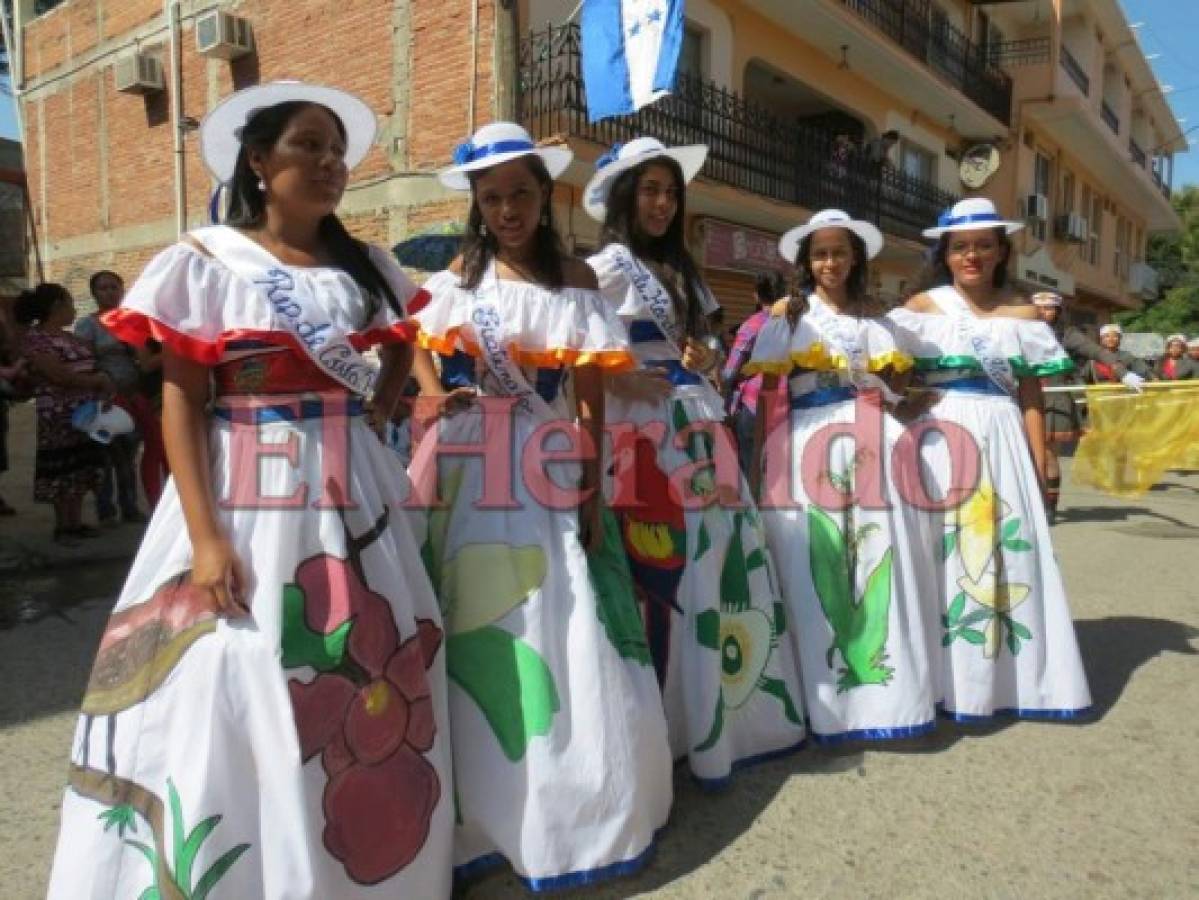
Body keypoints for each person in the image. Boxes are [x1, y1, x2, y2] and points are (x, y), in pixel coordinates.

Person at [48, 82, 453, 898]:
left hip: (353, 485)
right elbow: (183, 403)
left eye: (339, 151)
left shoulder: (364, 266)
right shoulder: (205, 263)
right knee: (246, 670)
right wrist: (205, 538)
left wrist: (377, 410)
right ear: (261, 162)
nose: (331, 164)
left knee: (365, 656)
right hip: (245, 483)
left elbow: (400, 348)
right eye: (310, 146)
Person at [408, 122, 671, 889]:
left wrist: (590, 484)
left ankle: (576, 800)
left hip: (550, 462)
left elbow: (588, 395)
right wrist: (432, 398)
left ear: (543, 196)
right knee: (480, 615)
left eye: (519, 194)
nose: (507, 210)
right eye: (491, 199)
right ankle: (485, 809)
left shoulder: (578, 281)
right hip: (473, 464)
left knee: (565, 615)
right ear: (477, 204)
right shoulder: (462, 275)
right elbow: (416, 334)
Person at [585, 137, 806, 784]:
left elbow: (705, 342)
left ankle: (714, 707)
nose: (660, 203)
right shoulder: (604, 268)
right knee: (659, 568)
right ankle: (665, 716)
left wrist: (704, 358)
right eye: (649, 191)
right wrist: (620, 378)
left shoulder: (682, 269)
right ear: (625, 198)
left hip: (696, 424)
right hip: (638, 433)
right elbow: (577, 349)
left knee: (711, 561)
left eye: (669, 193)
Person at [889, 197, 1091, 722]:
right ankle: (941, 681)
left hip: (1001, 435)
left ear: (1002, 251)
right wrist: (904, 398)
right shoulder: (921, 308)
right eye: (960, 248)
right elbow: (886, 369)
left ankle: (1005, 680)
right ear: (946, 254)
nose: (971, 256)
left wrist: (1041, 456)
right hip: (939, 438)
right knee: (942, 551)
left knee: (1005, 553)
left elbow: (1029, 394)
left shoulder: (1024, 315)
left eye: (983, 246)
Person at [746, 209, 938, 742]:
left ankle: (891, 696)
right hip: (808, 440)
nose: (830, 262)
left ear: (856, 258)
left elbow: (895, 381)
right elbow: (767, 395)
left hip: (874, 438)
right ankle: (824, 694)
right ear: (807, 262)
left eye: (839, 252)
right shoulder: (790, 318)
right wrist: (762, 461)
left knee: (882, 555)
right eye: (820, 253)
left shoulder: (876, 323)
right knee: (815, 557)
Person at [14, 283, 110, 545]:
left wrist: (100, 385)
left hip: (85, 413)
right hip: (58, 415)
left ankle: (75, 522)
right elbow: (58, 375)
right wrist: (96, 382)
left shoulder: (70, 338)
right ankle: (63, 527)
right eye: (69, 302)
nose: (74, 308)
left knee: (80, 467)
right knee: (61, 469)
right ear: (57, 306)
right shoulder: (37, 339)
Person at [74, 270, 148, 525]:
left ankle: (130, 506)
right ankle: (106, 511)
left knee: (128, 456)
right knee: (105, 456)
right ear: (94, 293)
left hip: (134, 394)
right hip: (104, 398)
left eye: (114, 286)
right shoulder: (88, 325)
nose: (109, 292)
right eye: (103, 288)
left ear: (122, 289)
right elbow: (84, 361)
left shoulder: (133, 321)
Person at [722, 270, 787, 477]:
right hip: (788, 406)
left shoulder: (753, 324)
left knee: (750, 469)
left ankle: (752, 507)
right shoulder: (798, 325)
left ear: (756, 295)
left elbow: (729, 373)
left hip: (754, 406)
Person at [1031, 292, 1082, 522]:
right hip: (1024, 399)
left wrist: (1124, 372)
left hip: (1054, 401)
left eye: (1049, 308)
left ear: (1058, 312)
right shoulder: (1018, 331)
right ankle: (1029, 503)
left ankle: (1049, 506)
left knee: (1049, 456)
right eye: (1039, 308)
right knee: (1025, 456)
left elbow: (1095, 350)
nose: (1043, 312)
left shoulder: (1067, 335)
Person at [1084, 323, 1152, 384]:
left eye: (1115, 336)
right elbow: (1083, 378)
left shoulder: (1127, 356)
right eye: (1107, 336)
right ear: (1101, 339)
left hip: (1123, 395)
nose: (1111, 339)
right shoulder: (1093, 359)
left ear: (1120, 339)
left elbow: (1146, 373)